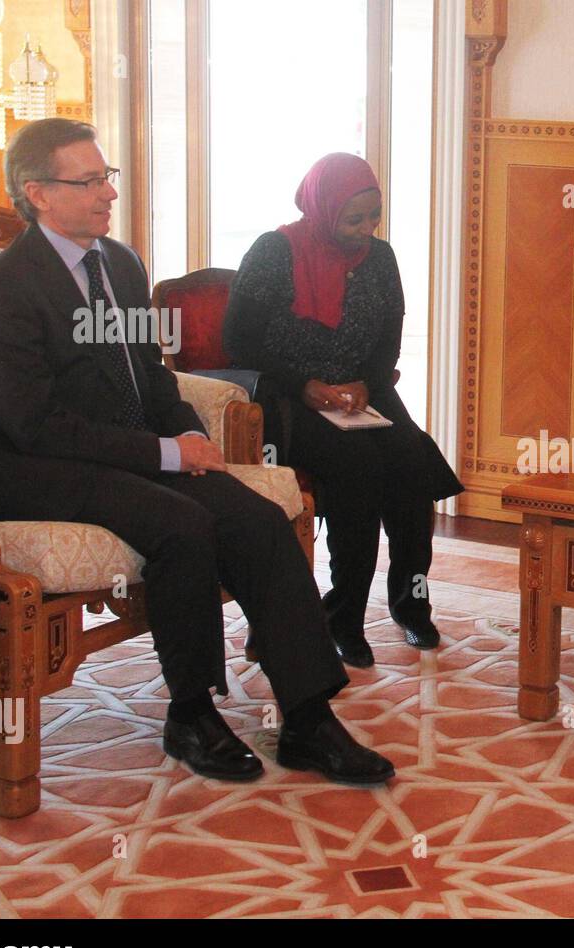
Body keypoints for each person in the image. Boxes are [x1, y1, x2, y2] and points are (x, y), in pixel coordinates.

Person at [0, 118, 394, 787]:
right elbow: (36, 425)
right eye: (89, 180)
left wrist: (190, 435)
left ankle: (308, 717)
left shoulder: (122, 266)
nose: (107, 192)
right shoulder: (6, 291)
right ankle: (190, 714)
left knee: (254, 517)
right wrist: (165, 454)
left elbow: (152, 377)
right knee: (182, 525)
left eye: (108, 177)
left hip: (123, 450)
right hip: (38, 468)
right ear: (38, 193)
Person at [223, 153, 463, 669]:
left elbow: (388, 341)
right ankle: (343, 618)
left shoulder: (380, 259)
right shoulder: (274, 251)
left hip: (362, 390)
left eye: (373, 216)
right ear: (322, 207)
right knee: (359, 468)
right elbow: (239, 343)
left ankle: (411, 602)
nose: (364, 229)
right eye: (352, 218)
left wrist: (365, 383)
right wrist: (306, 385)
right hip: (288, 396)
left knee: (413, 464)